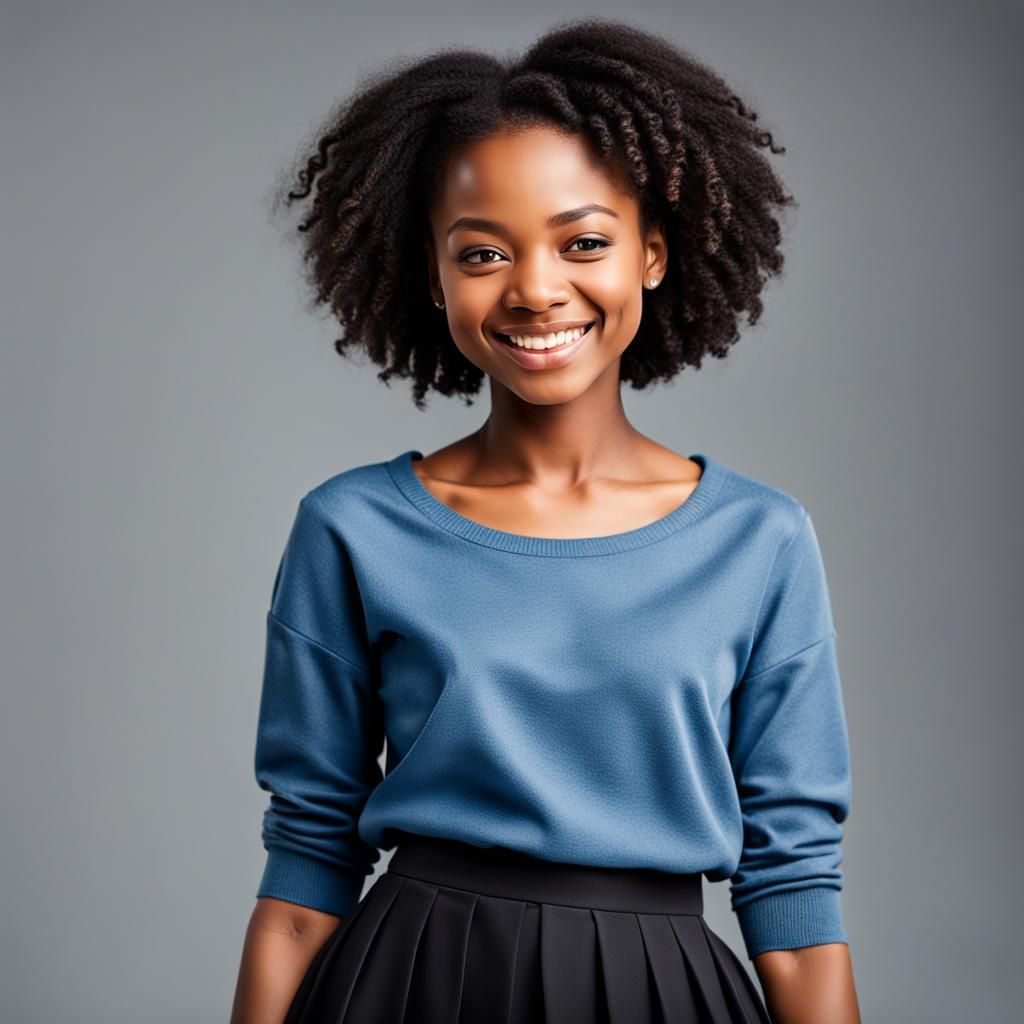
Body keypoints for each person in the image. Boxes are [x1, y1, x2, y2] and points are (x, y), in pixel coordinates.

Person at [230, 16, 861, 1024]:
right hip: (409, 985)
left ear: (652, 253)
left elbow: (794, 894)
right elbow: (306, 870)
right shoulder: (351, 528)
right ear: (432, 274)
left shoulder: (760, 541)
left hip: (661, 994)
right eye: (483, 251)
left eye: (584, 242)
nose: (534, 289)